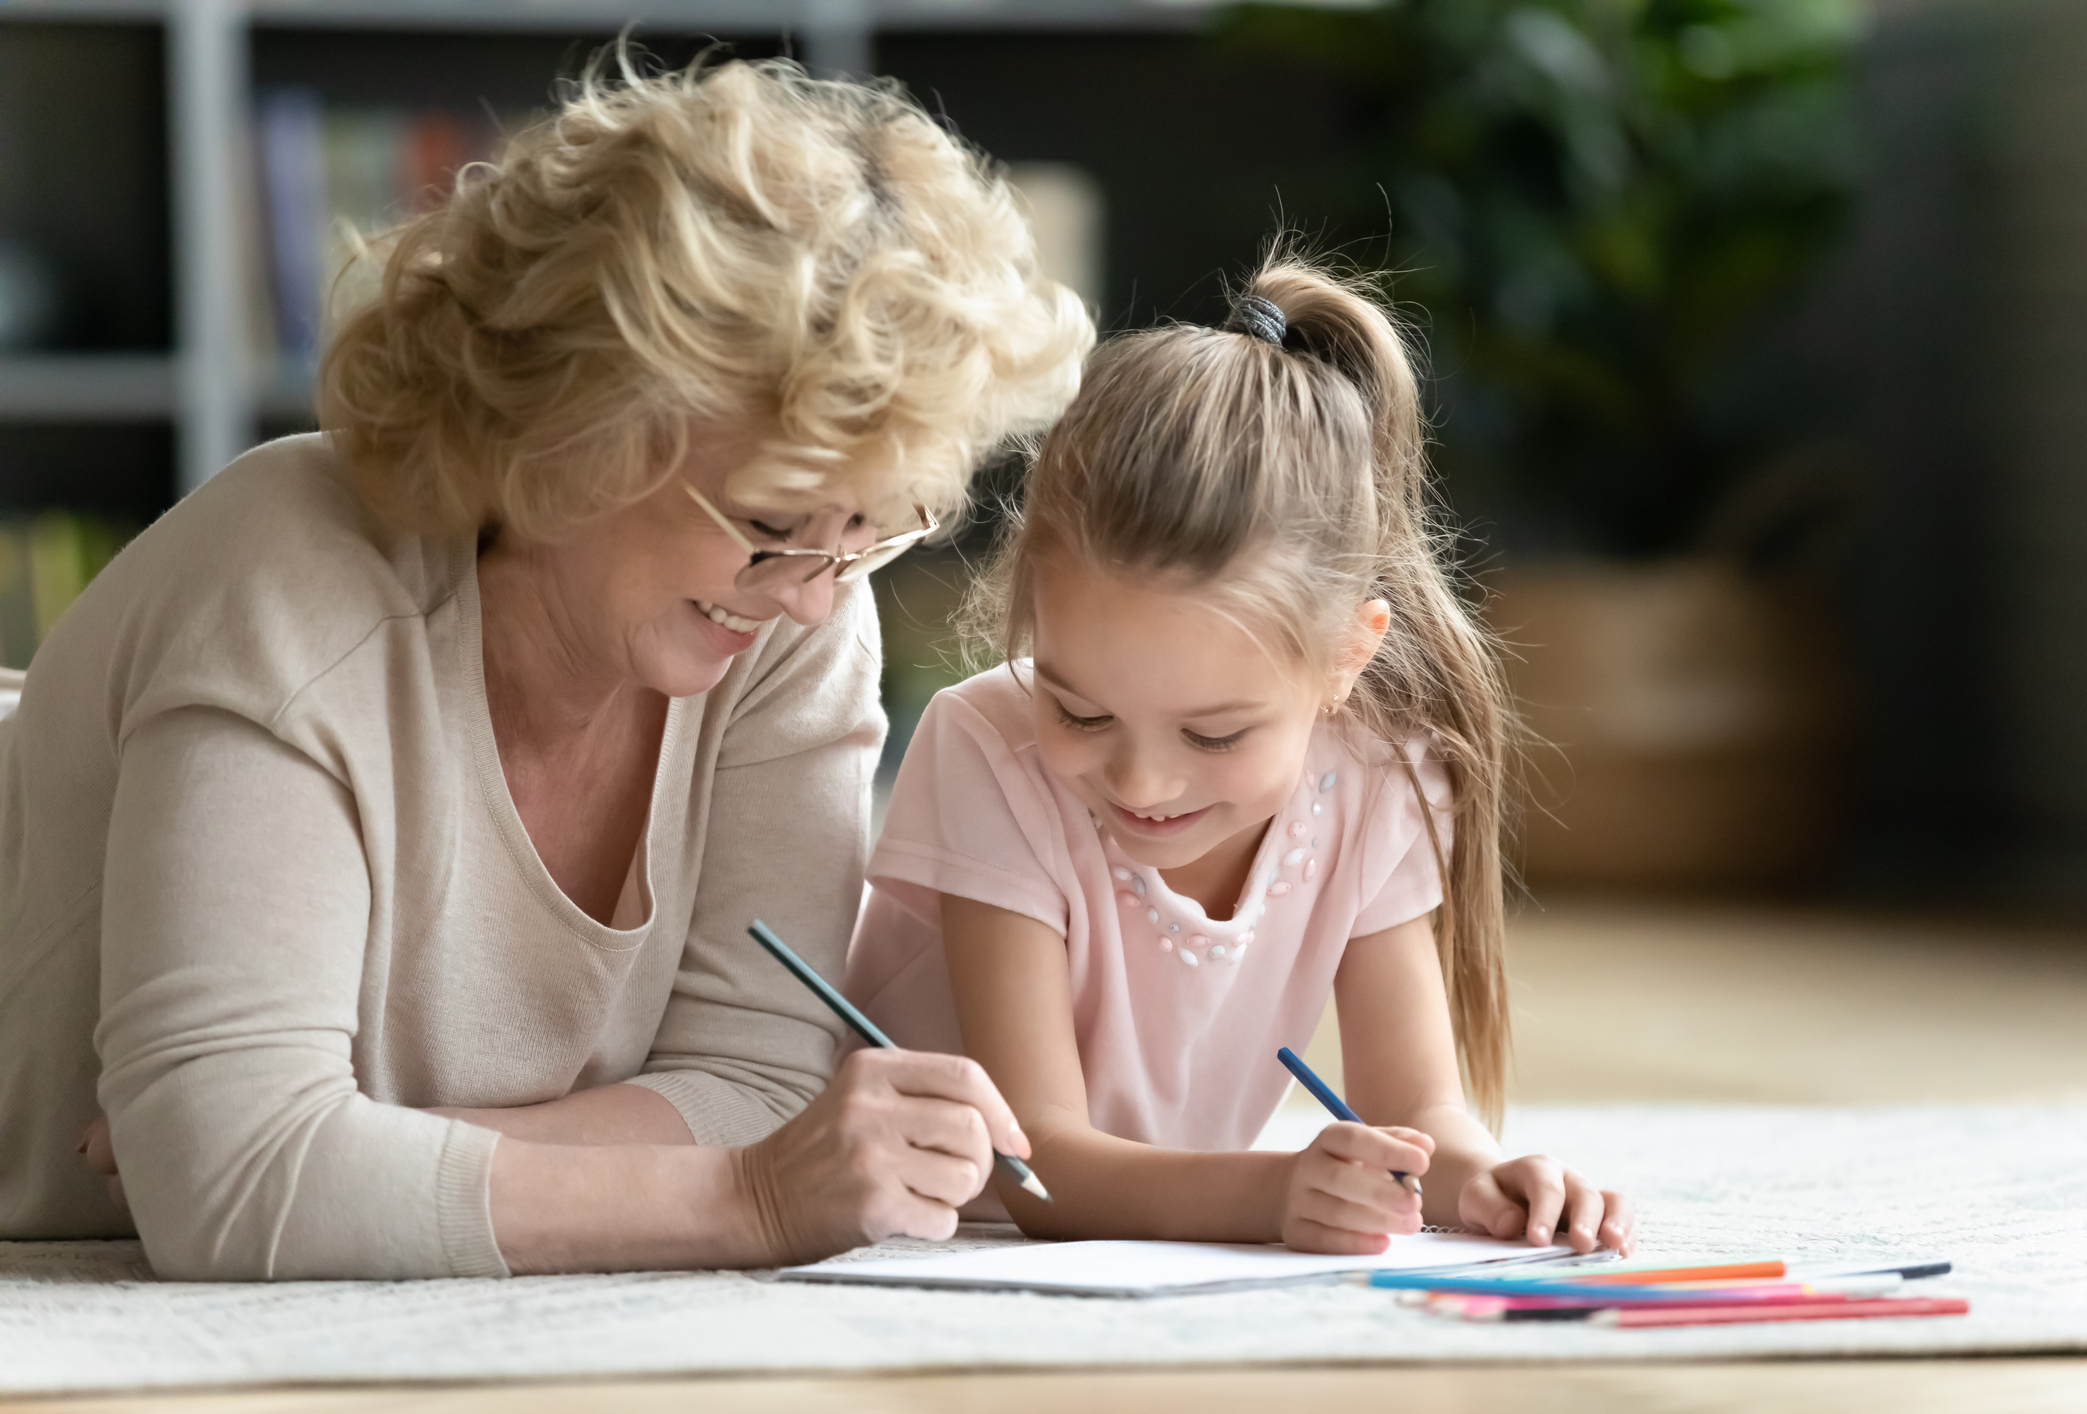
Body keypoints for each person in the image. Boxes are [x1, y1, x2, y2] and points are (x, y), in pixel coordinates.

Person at [0, 56, 1092, 1279]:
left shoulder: (795, 620)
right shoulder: (287, 582)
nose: (812, 593)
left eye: (871, 530)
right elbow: (233, 1196)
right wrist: (745, 1203)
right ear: (578, 421)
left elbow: (751, 1083)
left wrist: (352, 1158)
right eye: (774, 523)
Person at [844, 256, 1635, 1255]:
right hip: (936, 1207)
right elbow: (1031, 1161)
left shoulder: (1382, 779)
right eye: (1079, 711)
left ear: (1350, 654)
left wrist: (1488, 1181)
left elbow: (1421, 1112)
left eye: (1215, 733)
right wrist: (1268, 1197)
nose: (1141, 783)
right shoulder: (986, 751)